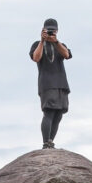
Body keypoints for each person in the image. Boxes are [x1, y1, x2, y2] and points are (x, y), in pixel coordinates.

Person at [29, 18, 72, 149]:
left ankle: (50, 141)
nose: (50, 32)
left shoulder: (60, 45)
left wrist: (56, 41)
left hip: (61, 84)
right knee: (49, 112)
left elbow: (66, 55)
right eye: (48, 30)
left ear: (57, 31)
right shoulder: (37, 44)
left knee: (59, 114)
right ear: (43, 30)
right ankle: (45, 142)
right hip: (47, 83)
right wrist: (42, 41)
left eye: (53, 30)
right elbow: (36, 58)